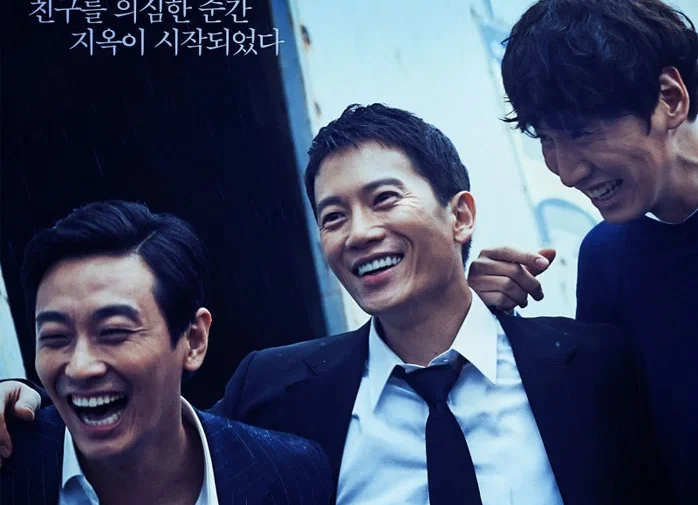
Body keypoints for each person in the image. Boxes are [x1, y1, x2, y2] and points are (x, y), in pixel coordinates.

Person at [1, 105, 670, 504]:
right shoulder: (275, 388)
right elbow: (153, 436)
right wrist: (24, 406)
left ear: (461, 214)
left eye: (384, 199)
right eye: (333, 216)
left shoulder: (594, 367)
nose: (359, 232)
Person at [465, 1, 698, 503]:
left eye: (581, 131)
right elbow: (617, 446)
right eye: (547, 138)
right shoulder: (607, 260)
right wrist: (483, 324)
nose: (567, 171)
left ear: (670, 98)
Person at [0, 201, 331, 505]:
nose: (80, 367)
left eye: (113, 333)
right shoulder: (10, 466)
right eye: (56, 337)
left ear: (194, 339)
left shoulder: (291, 475)